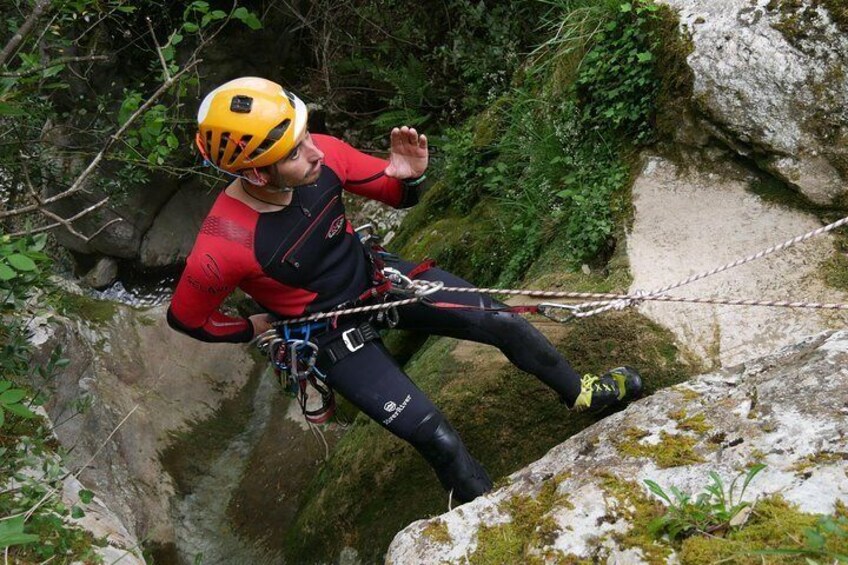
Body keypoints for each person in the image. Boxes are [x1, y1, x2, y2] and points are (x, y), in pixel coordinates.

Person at [167, 76, 642, 504]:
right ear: (255, 173)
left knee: (502, 321)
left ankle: (583, 394)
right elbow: (187, 319)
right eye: (293, 152)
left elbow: (392, 194)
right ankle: (485, 515)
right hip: (332, 336)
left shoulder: (323, 155)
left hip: (379, 282)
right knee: (438, 438)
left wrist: (408, 176)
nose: (315, 151)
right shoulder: (222, 246)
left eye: (306, 135)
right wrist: (252, 325)